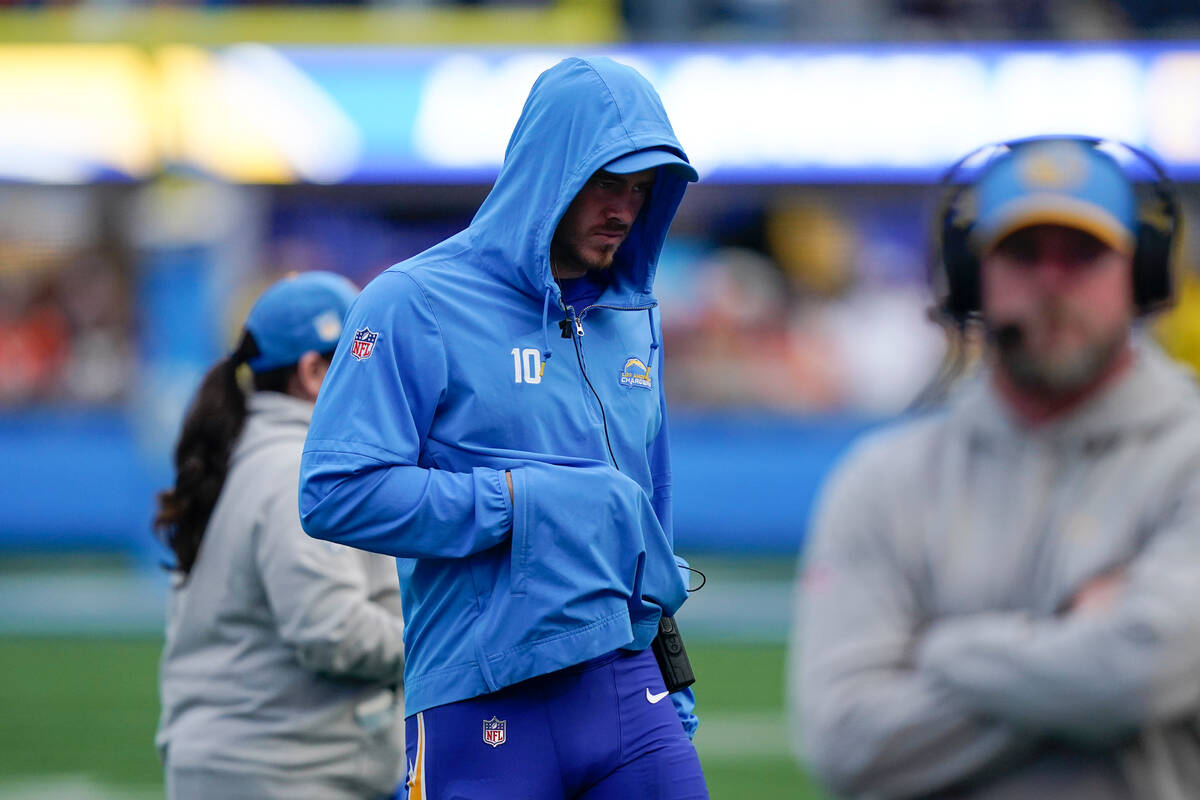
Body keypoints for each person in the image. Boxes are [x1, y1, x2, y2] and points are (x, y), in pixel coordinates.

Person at [299, 56, 708, 799]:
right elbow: (335, 492)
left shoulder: (632, 316)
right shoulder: (409, 302)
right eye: (607, 182)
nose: (625, 208)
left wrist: (668, 670)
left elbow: (649, 513)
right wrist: (518, 503)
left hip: (630, 693)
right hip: (480, 698)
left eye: (643, 188)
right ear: (550, 169)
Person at [792, 137, 1200, 799]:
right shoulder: (884, 479)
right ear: (969, 274)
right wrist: (1080, 648)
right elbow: (847, 743)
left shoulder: (1189, 459)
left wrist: (946, 652)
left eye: (1085, 254)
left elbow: (1144, 675)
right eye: (1022, 252)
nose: (1051, 281)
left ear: (1145, 275)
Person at [155, 271, 406, 800]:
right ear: (315, 372)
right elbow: (332, 632)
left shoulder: (244, 453)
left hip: (240, 763)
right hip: (287, 771)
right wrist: (441, 639)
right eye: (363, 361)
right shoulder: (295, 470)